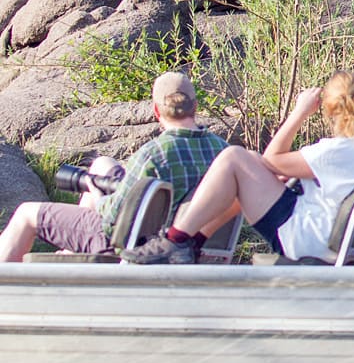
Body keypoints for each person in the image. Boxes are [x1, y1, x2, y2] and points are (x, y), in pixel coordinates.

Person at [124, 70, 354, 265]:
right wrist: (274, 171)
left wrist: (298, 113)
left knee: (236, 158)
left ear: (327, 110)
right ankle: (192, 244)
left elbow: (272, 158)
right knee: (250, 166)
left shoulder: (330, 153)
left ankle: (175, 240)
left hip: (312, 241)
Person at [0, 72, 226, 262]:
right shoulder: (223, 152)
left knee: (26, 213)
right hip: (190, 245)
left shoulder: (155, 154)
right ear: (195, 106)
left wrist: (98, 195)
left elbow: (113, 219)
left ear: (156, 111)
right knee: (103, 164)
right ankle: (73, 254)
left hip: (133, 243)